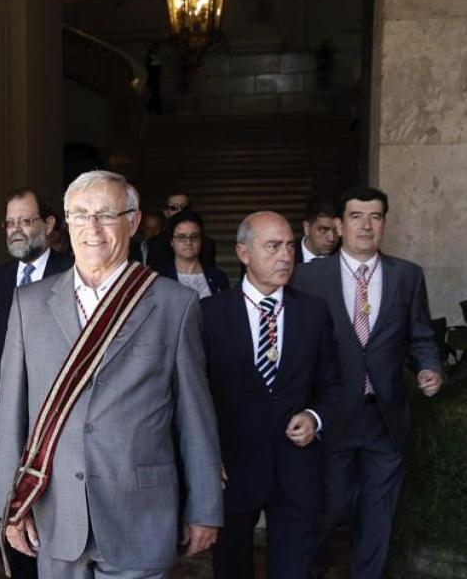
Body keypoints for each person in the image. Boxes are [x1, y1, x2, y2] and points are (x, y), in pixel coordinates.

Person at [0, 170, 223, 578]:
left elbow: (195, 416)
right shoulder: (28, 305)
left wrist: (205, 506)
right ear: (65, 223)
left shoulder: (175, 304)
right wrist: (10, 504)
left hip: (140, 513)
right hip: (56, 511)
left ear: (133, 222)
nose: (92, 228)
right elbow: (10, 414)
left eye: (106, 214)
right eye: (80, 215)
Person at [292, 186, 444, 579]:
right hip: (331, 417)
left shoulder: (407, 276)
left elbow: (422, 335)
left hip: (384, 417)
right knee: (330, 507)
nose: (366, 225)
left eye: (375, 217)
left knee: (379, 514)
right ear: (340, 225)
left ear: (384, 224)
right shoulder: (308, 278)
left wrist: (429, 368)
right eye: (356, 216)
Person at [202, 212, 341, 579]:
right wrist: (205, 456)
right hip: (232, 470)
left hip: (296, 470)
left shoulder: (313, 312)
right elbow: (194, 397)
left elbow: (332, 385)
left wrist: (314, 417)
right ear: (243, 252)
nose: (285, 256)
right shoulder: (208, 314)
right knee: (231, 569)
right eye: (273, 246)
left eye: (290, 246)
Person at [0, 188, 73, 579]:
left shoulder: (72, 274)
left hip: (59, 440)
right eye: (10, 223)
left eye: (26, 221)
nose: (16, 230)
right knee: (16, 552)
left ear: (49, 226)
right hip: (8, 441)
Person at [158, 210, 229, 298]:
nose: (188, 242)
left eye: (194, 236)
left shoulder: (218, 277)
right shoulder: (160, 278)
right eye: (181, 237)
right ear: (171, 241)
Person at [146, 191, 217, 271]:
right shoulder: (155, 245)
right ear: (166, 213)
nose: (180, 211)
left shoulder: (207, 244)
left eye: (184, 207)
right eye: (174, 208)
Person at [296, 196, 338, 263]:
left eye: (336, 230)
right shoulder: (289, 256)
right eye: (323, 230)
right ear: (307, 228)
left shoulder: (346, 258)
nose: (332, 238)